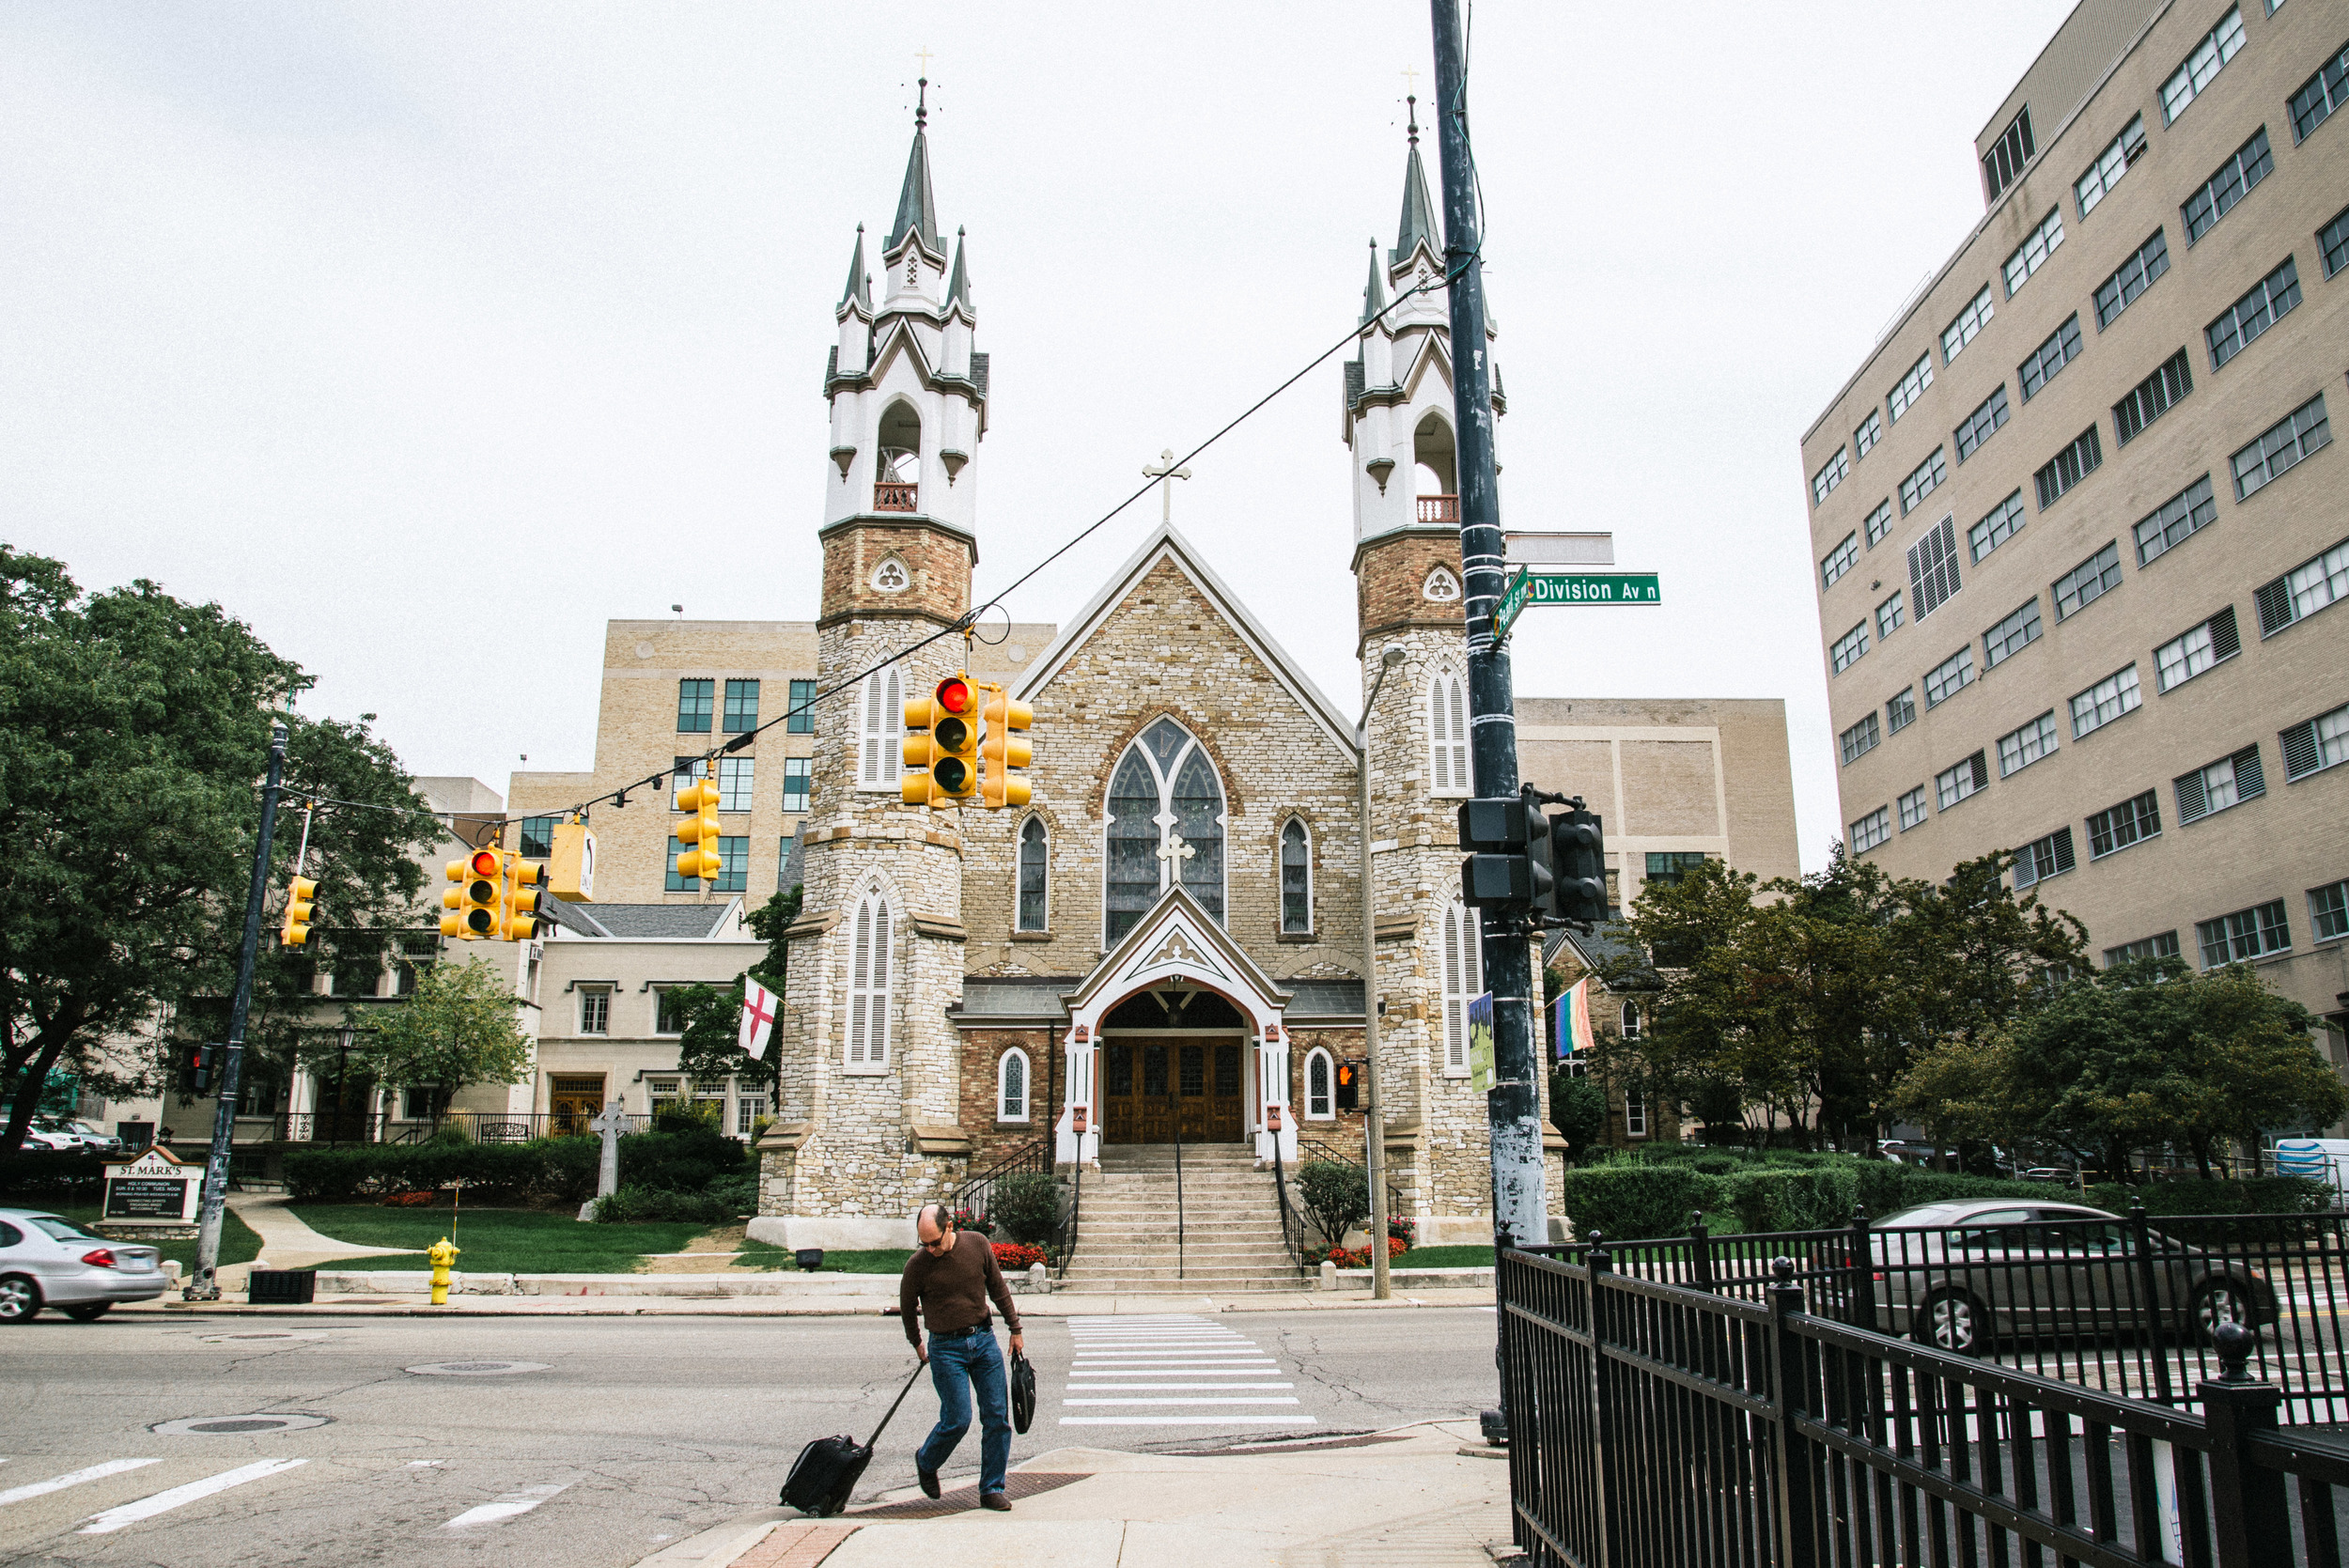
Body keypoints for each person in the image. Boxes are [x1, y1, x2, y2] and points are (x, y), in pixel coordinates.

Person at [898, 1201, 1023, 1511]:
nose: (929, 1249)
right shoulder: (917, 1265)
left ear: (949, 1227)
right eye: (923, 1243)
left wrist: (1015, 1328)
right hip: (945, 1348)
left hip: (983, 1341)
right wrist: (917, 1343)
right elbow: (906, 1307)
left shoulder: (977, 1244)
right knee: (957, 1419)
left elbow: (998, 1288)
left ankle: (991, 1488)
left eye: (934, 1242)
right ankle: (927, 1461)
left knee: (997, 1416)